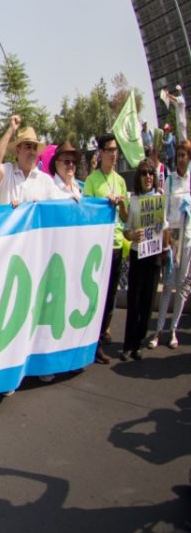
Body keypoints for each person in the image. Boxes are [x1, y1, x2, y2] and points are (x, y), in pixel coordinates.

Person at [83, 133, 130, 364]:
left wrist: (120, 204)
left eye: (115, 150)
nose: (114, 153)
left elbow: (126, 215)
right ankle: (93, 341)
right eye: (109, 149)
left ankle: (102, 333)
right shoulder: (92, 180)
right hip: (98, 247)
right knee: (96, 294)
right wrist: (104, 204)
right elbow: (87, 212)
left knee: (111, 293)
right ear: (100, 152)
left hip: (117, 243)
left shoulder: (120, 180)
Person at [122, 162, 164, 361]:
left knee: (147, 302)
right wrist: (132, 234)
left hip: (153, 256)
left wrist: (160, 228)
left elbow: (165, 229)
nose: (148, 177)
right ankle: (128, 344)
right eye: (144, 173)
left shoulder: (159, 199)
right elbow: (126, 229)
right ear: (138, 177)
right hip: (138, 254)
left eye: (151, 173)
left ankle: (139, 342)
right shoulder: (135, 201)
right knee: (134, 300)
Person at [152, 140, 191, 349]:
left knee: (182, 287)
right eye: (179, 155)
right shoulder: (170, 181)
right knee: (168, 284)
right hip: (173, 236)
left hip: (188, 238)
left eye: (185, 155)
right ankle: (158, 330)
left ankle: (173, 329)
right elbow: (163, 212)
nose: (181, 159)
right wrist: (167, 235)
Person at [0, 116, 66, 205]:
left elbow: (62, 203)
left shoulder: (45, 180)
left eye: (35, 148)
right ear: (18, 150)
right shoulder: (7, 172)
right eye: (28, 146)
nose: (32, 151)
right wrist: (10, 130)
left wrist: (74, 198)